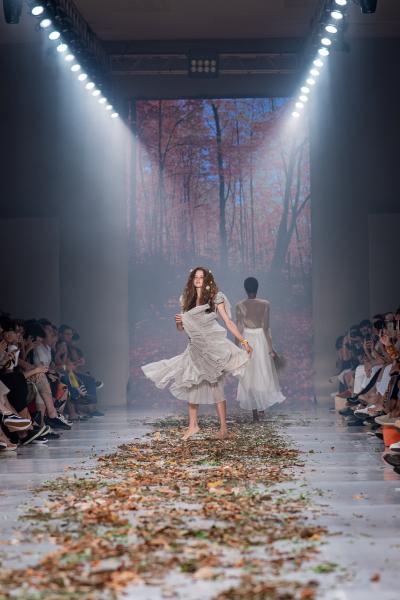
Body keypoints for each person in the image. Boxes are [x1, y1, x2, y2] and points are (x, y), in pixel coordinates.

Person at [141, 267, 252, 440]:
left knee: (215, 385)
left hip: (212, 346)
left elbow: (228, 321)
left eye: (202, 277)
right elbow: (182, 328)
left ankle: (223, 429)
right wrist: (178, 322)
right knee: (192, 382)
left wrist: (243, 341)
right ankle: (193, 425)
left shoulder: (215, 297)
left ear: (207, 280)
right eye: (196, 277)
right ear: (192, 279)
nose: (199, 279)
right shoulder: (186, 299)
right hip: (195, 346)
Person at [235, 277, 285, 421]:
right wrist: (270, 348)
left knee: (249, 374)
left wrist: (236, 346)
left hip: (246, 340)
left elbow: (239, 327)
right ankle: (261, 408)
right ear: (257, 288)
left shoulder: (240, 305)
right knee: (261, 373)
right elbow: (266, 328)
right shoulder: (265, 304)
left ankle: (255, 411)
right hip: (260, 339)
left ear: (245, 289)